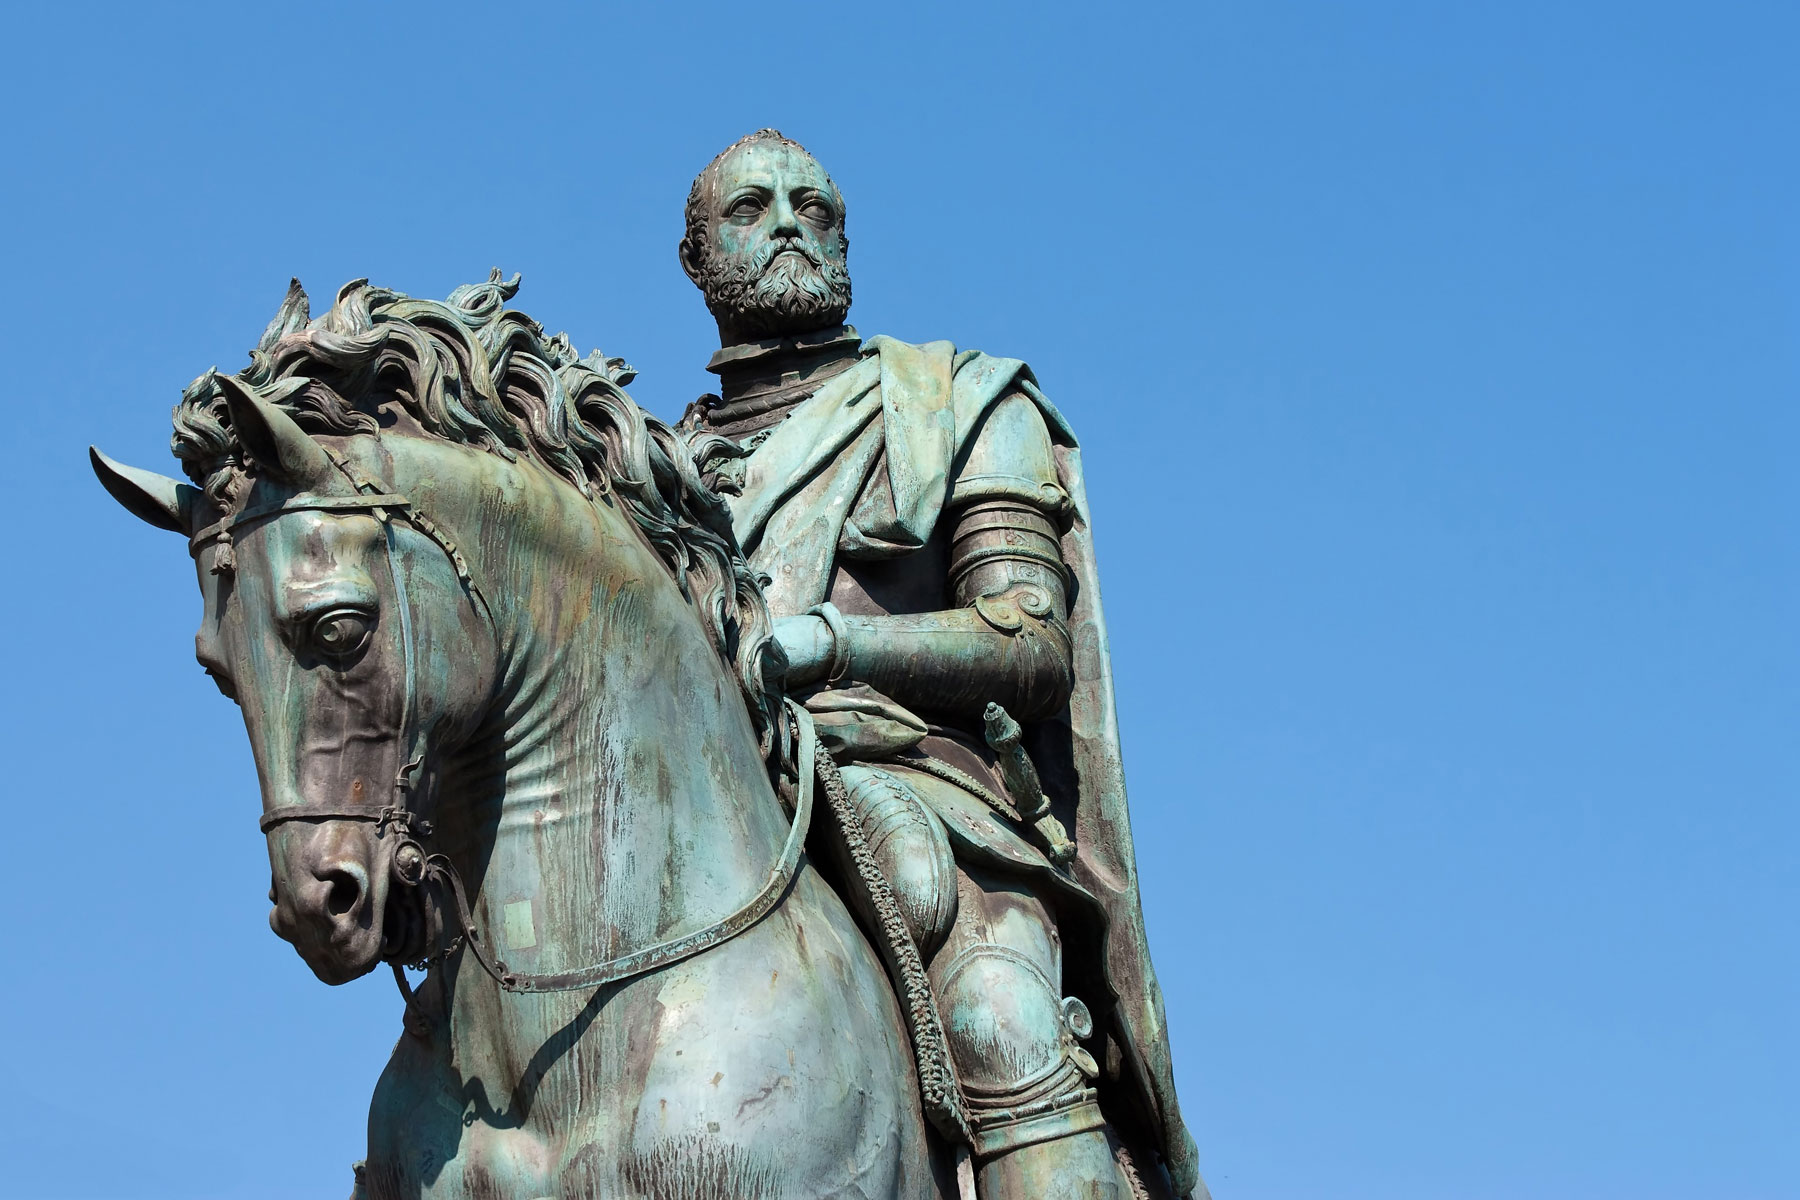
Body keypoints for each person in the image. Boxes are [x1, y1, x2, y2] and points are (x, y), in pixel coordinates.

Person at [676, 129, 1205, 1200]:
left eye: (813, 208)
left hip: (921, 793)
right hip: (702, 798)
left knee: (1003, 1024)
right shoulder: (656, 461)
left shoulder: (957, 402)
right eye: (753, 209)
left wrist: (832, 642)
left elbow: (1029, 640)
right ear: (694, 259)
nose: (788, 223)